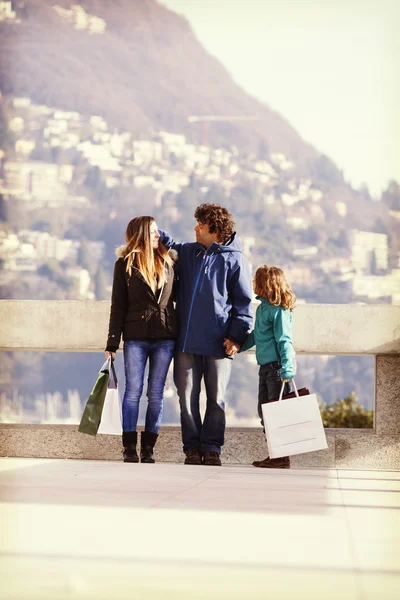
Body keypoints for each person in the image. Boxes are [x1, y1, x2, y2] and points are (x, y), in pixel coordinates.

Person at [159, 203, 253, 466]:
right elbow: (168, 243)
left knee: (216, 399)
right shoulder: (188, 252)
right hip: (186, 342)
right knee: (186, 398)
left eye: (200, 224)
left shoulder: (235, 260)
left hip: (220, 343)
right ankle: (191, 448)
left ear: (215, 229)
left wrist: (235, 338)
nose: (195, 228)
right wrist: (152, 228)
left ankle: (212, 449)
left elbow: (244, 305)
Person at [105, 216, 178, 463]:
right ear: (142, 234)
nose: (159, 235)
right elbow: (118, 305)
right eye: (154, 231)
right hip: (135, 336)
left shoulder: (168, 261)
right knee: (133, 392)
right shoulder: (124, 265)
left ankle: (149, 447)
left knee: (156, 393)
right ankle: (129, 448)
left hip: (166, 335)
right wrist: (112, 343)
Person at [228, 265, 296, 468]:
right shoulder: (263, 308)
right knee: (264, 411)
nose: (253, 284)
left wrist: (287, 368)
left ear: (265, 284)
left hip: (276, 369)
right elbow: (257, 336)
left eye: (256, 281)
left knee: (275, 412)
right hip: (265, 368)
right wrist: (238, 346)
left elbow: (284, 340)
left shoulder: (279, 311)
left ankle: (282, 456)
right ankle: (276, 453)